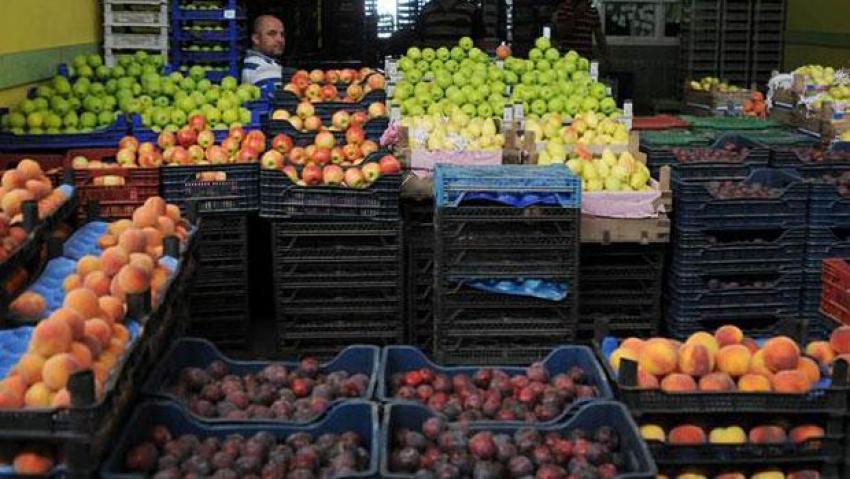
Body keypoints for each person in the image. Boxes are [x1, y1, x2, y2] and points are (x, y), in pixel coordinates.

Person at [242, 14, 286, 93]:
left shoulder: (261, 63)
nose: (280, 39)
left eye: (282, 34)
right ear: (256, 39)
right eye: (272, 34)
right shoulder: (263, 69)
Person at [416, 0, 481, 48]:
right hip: (429, 63)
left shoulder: (472, 10)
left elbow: (480, 43)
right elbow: (417, 42)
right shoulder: (425, 10)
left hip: (465, 64)